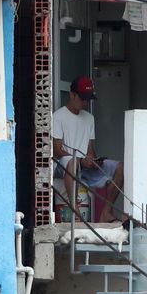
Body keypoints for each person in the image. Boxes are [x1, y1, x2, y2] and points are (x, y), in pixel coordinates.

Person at [51, 75, 122, 216]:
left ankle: (106, 212)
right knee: (72, 162)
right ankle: (74, 209)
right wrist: (79, 161)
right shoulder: (58, 116)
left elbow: (90, 148)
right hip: (64, 164)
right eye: (83, 98)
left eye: (88, 99)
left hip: (83, 165)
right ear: (72, 95)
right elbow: (57, 150)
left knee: (120, 167)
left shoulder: (89, 118)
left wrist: (93, 160)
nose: (86, 102)